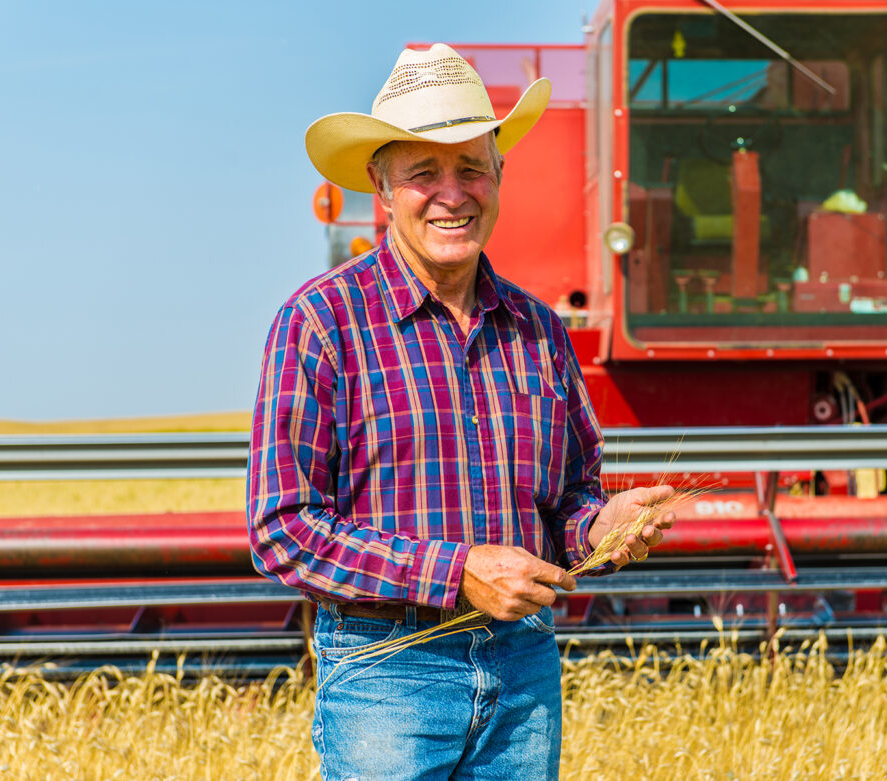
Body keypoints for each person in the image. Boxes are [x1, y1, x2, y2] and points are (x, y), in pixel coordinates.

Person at [247, 43, 674, 781]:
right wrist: (458, 571)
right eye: (423, 172)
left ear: (501, 175)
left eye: (472, 166)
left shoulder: (538, 329)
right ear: (383, 190)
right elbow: (281, 528)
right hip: (387, 672)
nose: (453, 192)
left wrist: (601, 526)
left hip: (524, 665)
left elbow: (567, 500)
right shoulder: (321, 322)